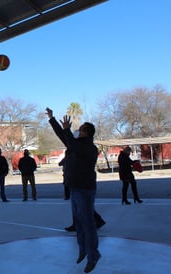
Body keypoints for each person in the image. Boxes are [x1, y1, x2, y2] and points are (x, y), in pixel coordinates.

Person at [46, 107, 101, 273]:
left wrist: (67, 131)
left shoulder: (89, 148)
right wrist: (52, 119)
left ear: (86, 133)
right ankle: (83, 249)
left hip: (85, 190)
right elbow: (63, 135)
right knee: (78, 222)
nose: (78, 131)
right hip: (75, 188)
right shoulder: (75, 144)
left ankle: (93, 255)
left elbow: (69, 139)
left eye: (81, 129)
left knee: (87, 223)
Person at [59, 155, 106, 232]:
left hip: (77, 182)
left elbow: (62, 164)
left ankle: (96, 221)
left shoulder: (75, 156)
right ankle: (77, 224)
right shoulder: (72, 156)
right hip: (73, 180)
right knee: (79, 206)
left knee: (82, 206)